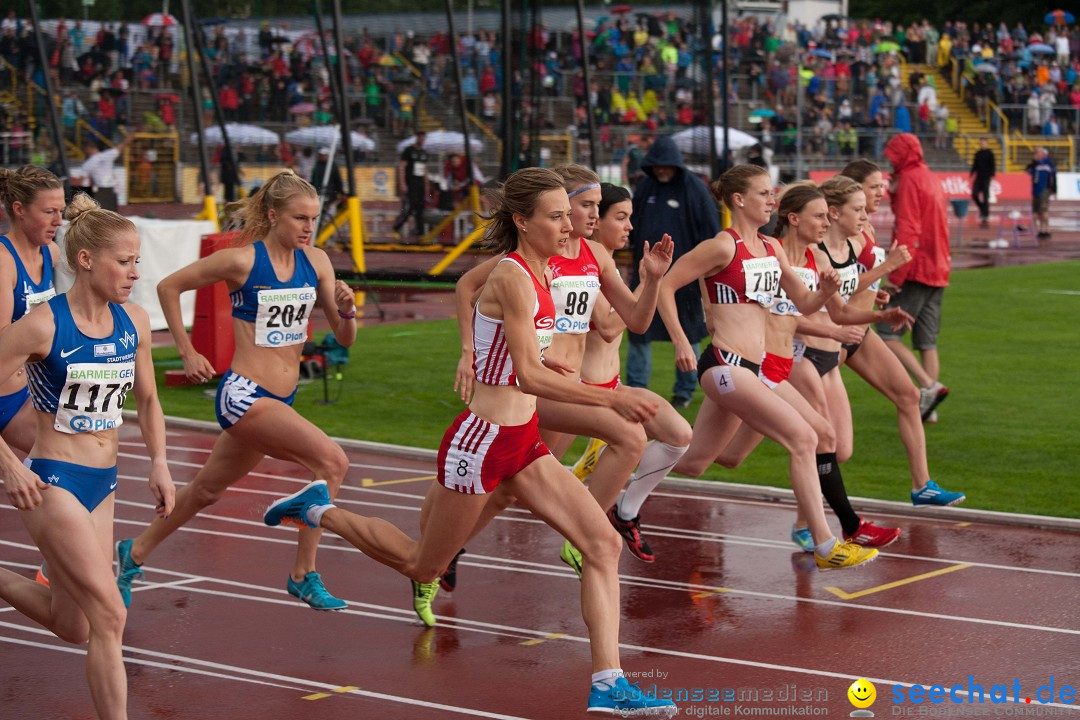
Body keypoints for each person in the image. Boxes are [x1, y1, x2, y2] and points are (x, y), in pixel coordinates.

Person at [260, 167, 678, 718]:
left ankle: (608, 684)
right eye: (555, 215)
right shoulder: (510, 275)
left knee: (603, 546)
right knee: (421, 565)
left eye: (566, 214)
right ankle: (319, 510)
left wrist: (646, 281)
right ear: (522, 221)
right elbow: (528, 374)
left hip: (523, 439)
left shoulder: (549, 270)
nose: (568, 223)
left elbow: (529, 353)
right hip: (481, 441)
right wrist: (609, 399)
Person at [114, 170, 360, 611]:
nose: (308, 227)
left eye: (314, 219)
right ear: (272, 216)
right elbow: (170, 286)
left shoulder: (318, 262)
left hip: (280, 400)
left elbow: (344, 339)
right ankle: (304, 574)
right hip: (244, 394)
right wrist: (187, 351)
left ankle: (132, 553)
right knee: (331, 461)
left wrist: (348, 311)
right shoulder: (243, 261)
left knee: (206, 491)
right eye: (299, 218)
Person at [449, 166, 682, 573]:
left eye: (596, 207)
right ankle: (588, 536)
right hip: (538, 386)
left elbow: (632, 322)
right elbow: (466, 286)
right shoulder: (531, 261)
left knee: (508, 490)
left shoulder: (596, 255)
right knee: (629, 436)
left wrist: (652, 280)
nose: (593, 214)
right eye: (585, 206)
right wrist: (469, 350)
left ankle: (447, 554)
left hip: (571, 385)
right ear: (560, 206)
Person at [0, 192, 174, 719]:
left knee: (73, 624)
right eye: (124, 262)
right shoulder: (43, 326)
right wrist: (8, 463)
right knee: (109, 615)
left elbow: (147, 399)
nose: (134, 273)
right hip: (53, 481)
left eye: (137, 261)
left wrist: (160, 462)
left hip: (106, 483)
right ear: (86, 260)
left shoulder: (135, 323)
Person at [662, 164, 877, 571]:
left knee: (697, 461)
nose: (771, 200)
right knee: (804, 436)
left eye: (772, 193)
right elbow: (668, 285)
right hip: (726, 362)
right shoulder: (722, 246)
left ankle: (622, 447)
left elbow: (804, 305)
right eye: (763, 193)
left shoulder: (772, 249)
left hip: (757, 365)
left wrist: (826, 291)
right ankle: (826, 542)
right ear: (739, 200)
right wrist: (679, 340)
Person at [712, 181, 911, 549]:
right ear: (793, 218)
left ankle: (656, 448)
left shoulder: (814, 258)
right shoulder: (770, 254)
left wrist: (880, 316)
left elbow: (836, 310)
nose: (823, 223)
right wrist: (828, 330)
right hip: (761, 361)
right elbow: (772, 313)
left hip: (782, 364)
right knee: (817, 436)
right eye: (818, 216)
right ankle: (841, 528)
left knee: (726, 457)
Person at [840, 159, 967, 506]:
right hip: (831, 335)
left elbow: (857, 283)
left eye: (882, 186)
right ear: (852, 188)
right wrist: (888, 267)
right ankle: (808, 522)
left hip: (860, 332)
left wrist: (876, 295)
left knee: (909, 397)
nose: (882, 192)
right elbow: (834, 289)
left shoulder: (863, 226)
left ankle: (922, 485)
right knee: (821, 439)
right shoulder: (840, 229)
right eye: (874, 187)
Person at [626, 136, 721, 408]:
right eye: (656, 165)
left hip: (685, 277)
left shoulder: (694, 189)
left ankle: (685, 388)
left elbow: (710, 234)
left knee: (688, 330)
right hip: (646, 272)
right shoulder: (646, 188)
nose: (661, 170)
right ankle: (635, 388)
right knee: (637, 328)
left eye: (666, 165)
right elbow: (632, 223)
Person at [876, 133, 951, 423]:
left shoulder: (909, 180)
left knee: (886, 334)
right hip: (939, 266)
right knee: (927, 340)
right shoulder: (930, 177)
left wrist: (896, 274)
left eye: (892, 154)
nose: (889, 160)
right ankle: (929, 407)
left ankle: (928, 388)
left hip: (917, 267)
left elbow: (908, 228)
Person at [0, 166, 62, 455]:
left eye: (61, 211)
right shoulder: (3, 262)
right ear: (19, 209)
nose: (58, 221)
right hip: (7, 396)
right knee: (62, 454)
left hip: (37, 388)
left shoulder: (51, 253)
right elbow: (4, 342)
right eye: (49, 212)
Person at [392, 129, 430, 239]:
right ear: (417, 137)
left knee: (420, 208)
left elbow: (425, 170)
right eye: (420, 137)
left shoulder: (424, 153)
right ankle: (396, 227)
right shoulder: (408, 150)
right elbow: (402, 167)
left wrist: (427, 185)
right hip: (411, 184)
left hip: (420, 185)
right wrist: (403, 183)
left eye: (424, 138)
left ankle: (420, 231)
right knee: (409, 207)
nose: (422, 140)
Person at [73, 136, 128, 211]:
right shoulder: (106, 155)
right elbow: (120, 147)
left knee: (101, 212)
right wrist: (129, 138)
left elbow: (81, 180)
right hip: (111, 188)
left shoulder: (89, 163)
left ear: (88, 149)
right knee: (112, 212)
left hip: (100, 190)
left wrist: (77, 196)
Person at [1026, 147, 1057, 241]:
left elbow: (1053, 176)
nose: (1034, 154)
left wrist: (1054, 189)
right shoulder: (1035, 164)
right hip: (1036, 190)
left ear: (1042, 153)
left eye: (1036, 152)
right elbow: (1028, 171)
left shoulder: (1048, 162)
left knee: (1044, 211)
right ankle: (1039, 230)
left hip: (1045, 190)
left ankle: (1046, 229)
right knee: (1036, 211)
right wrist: (1034, 162)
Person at [969, 138, 995, 228]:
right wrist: (971, 176)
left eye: (984, 143)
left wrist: (992, 176)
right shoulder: (978, 154)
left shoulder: (990, 154)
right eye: (981, 143)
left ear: (987, 144)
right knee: (974, 194)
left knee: (985, 197)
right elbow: (974, 166)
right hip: (978, 177)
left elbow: (992, 165)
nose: (982, 144)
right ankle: (982, 208)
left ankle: (985, 215)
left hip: (986, 178)